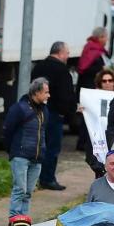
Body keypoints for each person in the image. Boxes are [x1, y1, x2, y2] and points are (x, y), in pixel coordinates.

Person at [3, 78, 49, 216]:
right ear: (37, 92)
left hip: (37, 157)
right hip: (21, 156)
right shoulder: (19, 108)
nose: (48, 95)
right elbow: (7, 131)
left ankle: (24, 220)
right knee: (20, 190)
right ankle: (14, 219)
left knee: (28, 192)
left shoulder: (44, 110)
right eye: (46, 92)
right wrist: (12, 150)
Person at [31, 43, 73, 191]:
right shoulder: (62, 70)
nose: (68, 56)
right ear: (60, 53)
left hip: (37, 111)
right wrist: (68, 112)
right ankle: (48, 178)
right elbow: (65, 95)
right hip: (54, 114)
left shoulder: (38, 67)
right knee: (52, 148)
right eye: (67, 53)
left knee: (38, 145)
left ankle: (34, 178)